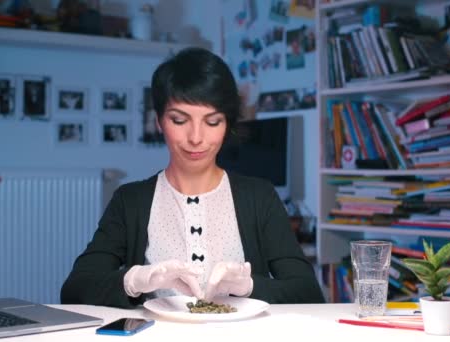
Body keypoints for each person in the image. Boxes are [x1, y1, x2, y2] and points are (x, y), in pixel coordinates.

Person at [61, 47, 324, 308]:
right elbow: (76, 289)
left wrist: (248, 286)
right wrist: (137, 280)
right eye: (179, 120)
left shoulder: (259, 196)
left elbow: (307, 292)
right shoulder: (130, 201)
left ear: (227, 126)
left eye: (212, 122)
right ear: (159, 121)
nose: (196, 138)